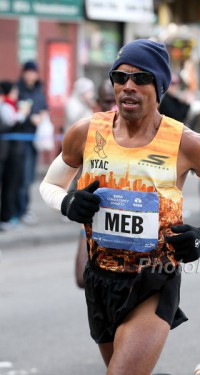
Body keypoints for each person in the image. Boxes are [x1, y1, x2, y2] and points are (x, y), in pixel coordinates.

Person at [39, 39, 200, 375]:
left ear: (159, 86)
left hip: (154, 279)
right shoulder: (86, 132)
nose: (128, 87)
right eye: (119, 78)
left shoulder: (187, 143)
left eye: (141, 78)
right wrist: (67, 202)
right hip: (101, 278)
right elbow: (50, 184)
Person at [74, 78, 116, 288]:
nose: (113, 108)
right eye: (107, 102)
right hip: (96, 215)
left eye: (115, 101)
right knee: (83, 278)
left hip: (131, 219)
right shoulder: (88, 129)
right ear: (98, 102)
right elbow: (72, 173)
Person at [16, 60, 48, 224]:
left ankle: (25, 209)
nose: (31, 75)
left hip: (35, 140)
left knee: (28, 177)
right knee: (20, 177)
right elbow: (17, 112)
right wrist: (29, 116)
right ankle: (20, 210)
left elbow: (44, 108)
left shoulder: (38, 90)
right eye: (28, 72)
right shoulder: (18, 90)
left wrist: (41, 116)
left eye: (33, 72)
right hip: (19, 140)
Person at [0, 81, 31, 229]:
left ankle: (10, 215)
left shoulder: (10, 106)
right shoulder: (5, 107)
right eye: (14, 91)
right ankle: (6, 217)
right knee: (9, 185)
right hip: (8, 153)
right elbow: (10, 123)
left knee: (13, 184)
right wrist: (22, 114)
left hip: (12, 152)